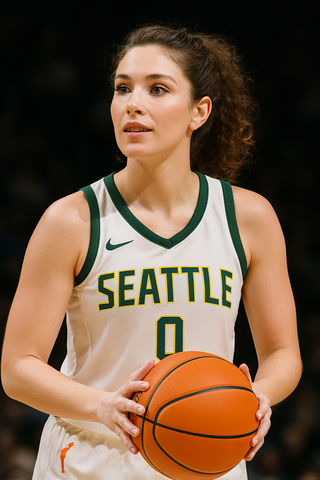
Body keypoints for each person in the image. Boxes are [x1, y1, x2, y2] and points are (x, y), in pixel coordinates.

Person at [1, 24, 302, 480]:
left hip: (208, 457)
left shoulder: (249, 218)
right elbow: (17, 368)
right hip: (92, 456)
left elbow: (283, 352)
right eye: (122, 89)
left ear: (198, 112)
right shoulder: (70, 221)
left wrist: (258, 395)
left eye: (157, 89)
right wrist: (101, 404)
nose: (132, 104)